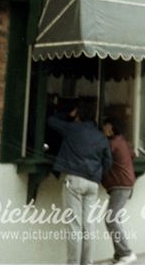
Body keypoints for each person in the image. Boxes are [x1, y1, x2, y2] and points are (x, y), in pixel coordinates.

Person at [48, 101, 113, 265]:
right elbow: (108, 162)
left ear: (78, 115)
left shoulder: (72, 129)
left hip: (74, 181)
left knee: (74, 226)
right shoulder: (101, 136)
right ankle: (87, 263)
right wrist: (97, 173)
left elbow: (51, 121)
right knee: (88, 226)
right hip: (92, 184)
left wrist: (68, 114)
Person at [101, 116, 136, 264]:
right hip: (125, 183)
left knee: (111, 219)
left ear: (112, 128)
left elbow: (101, 156)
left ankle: (126, 253)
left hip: (120, 184)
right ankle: (119, 255)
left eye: (106, 127)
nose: (104, 130)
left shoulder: (112, 143)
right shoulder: (123, 142)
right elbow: (133, 155)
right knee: (115, 219)